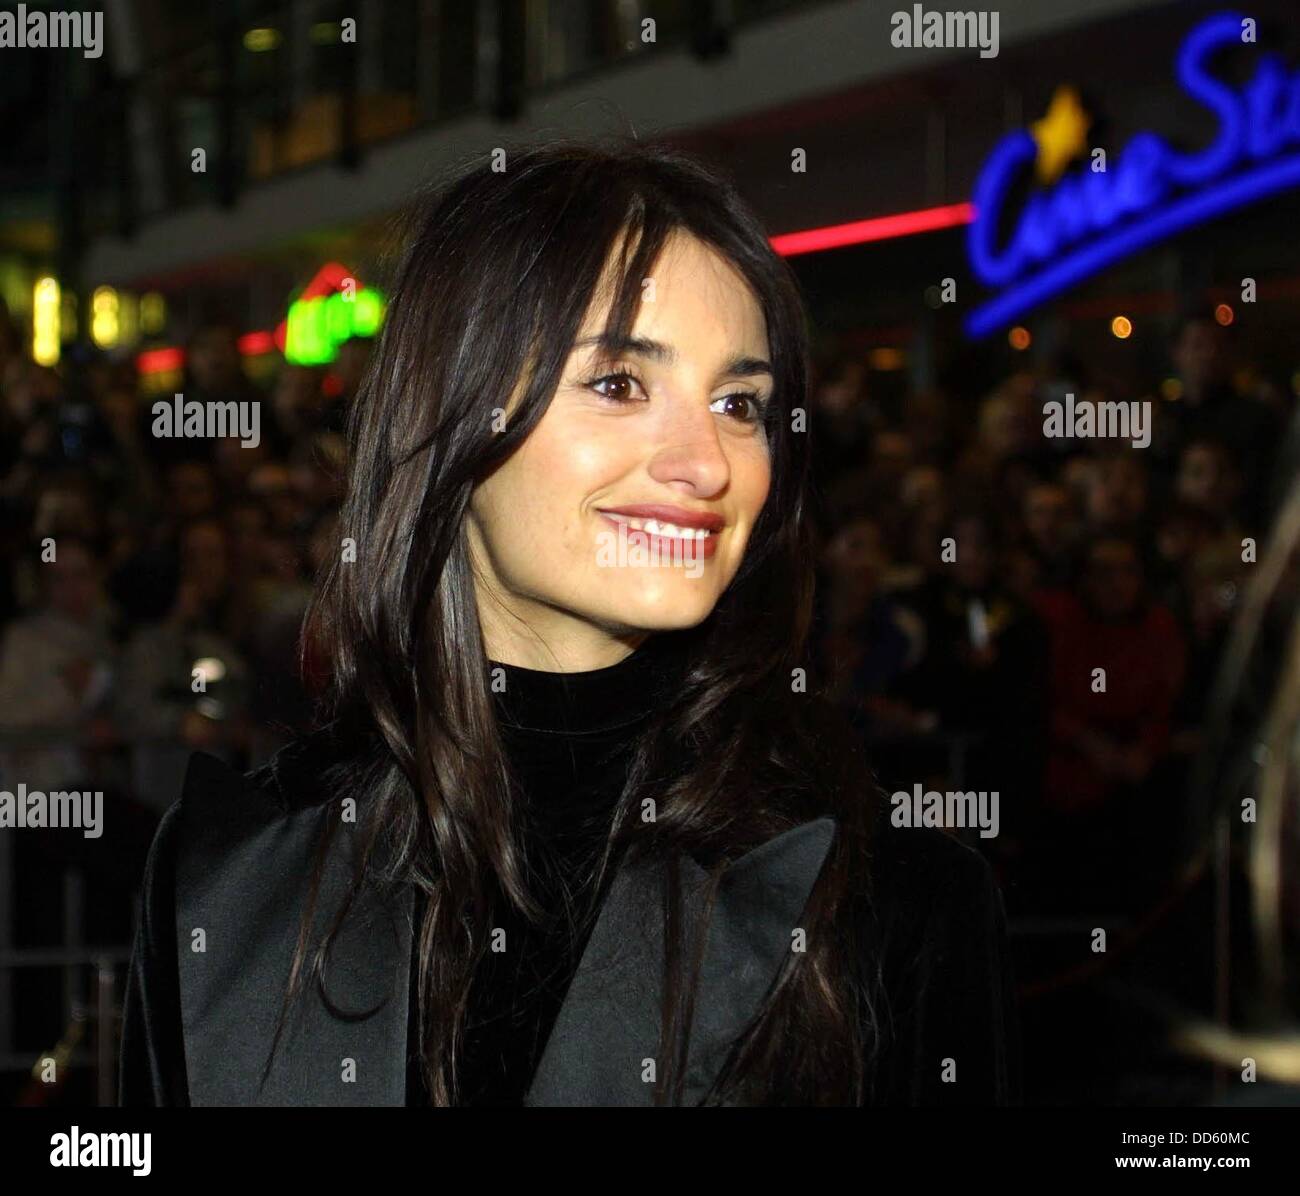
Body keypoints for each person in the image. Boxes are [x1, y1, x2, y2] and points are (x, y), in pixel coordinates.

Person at [118, 139, 1019, 1108]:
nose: (705, 461)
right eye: (620, 382)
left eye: (739, 401)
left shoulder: (888, 900)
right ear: (450, 412)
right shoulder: (234, 881)